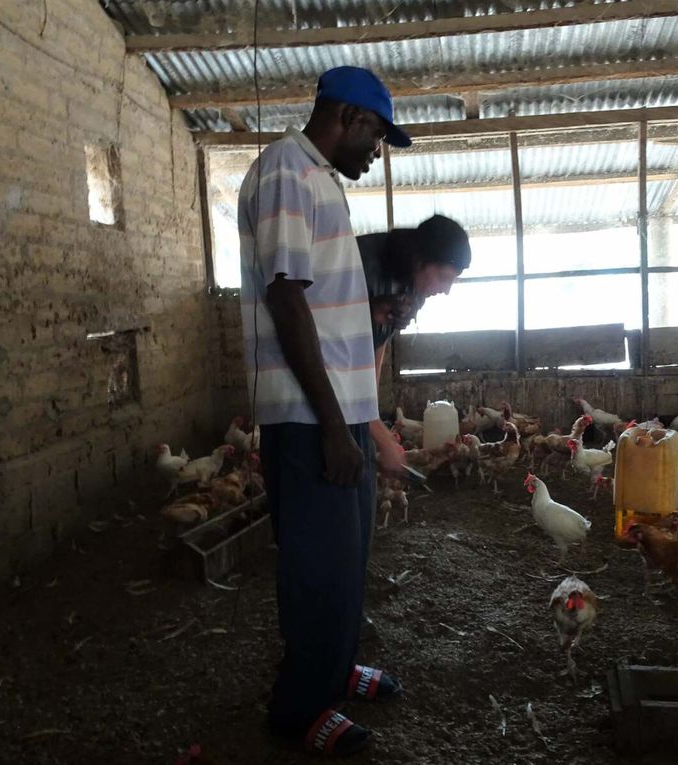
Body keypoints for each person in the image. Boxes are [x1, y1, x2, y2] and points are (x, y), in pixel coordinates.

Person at [237, 66, 408, 757]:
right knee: (316, 564)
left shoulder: (320, 179)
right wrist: (335, 428)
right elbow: (285, 297)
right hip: (311, 418)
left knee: (346, 556)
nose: (378, 152)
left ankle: (336, 671)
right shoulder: (286, 169)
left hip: (336, 414)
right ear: (346, 116)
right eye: (376, 137)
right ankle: (299, 708)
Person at [357, 214, 472, 372]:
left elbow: (378, 341)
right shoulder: (358, 263)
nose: (446, 290)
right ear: (419, 260)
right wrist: (369, 313)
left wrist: (372, 394)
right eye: (443, 277)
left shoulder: (415, 288)